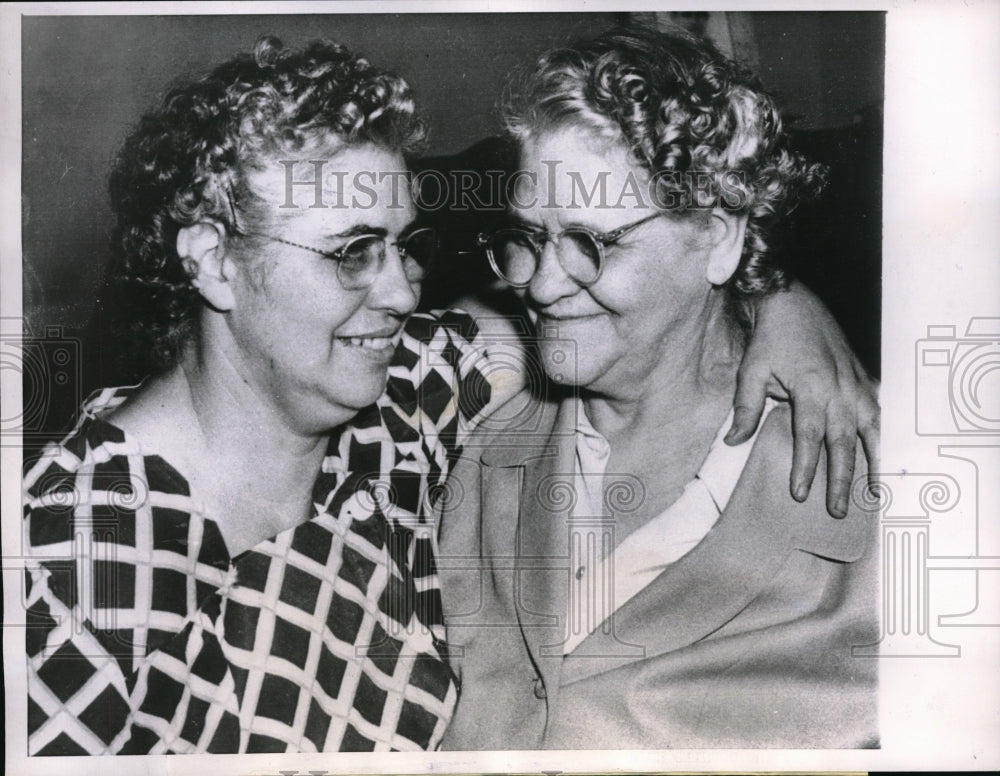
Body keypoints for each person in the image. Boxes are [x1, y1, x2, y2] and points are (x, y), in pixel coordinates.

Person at [23, 34, 876, 755]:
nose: (400, 292)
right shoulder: (69, 560)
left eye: (403, 246)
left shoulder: (397, 406)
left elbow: (629, 325)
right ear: (211, 259)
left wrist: (780, 302)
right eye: (352, 252)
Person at [438, 25, 879, 749]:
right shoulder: (477, 442)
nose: (543, 287)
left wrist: (782, 295)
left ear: (717, 235)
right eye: (529, 237)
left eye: (592, 244)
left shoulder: (884, 482)